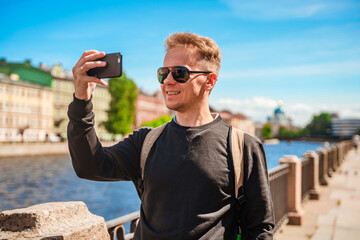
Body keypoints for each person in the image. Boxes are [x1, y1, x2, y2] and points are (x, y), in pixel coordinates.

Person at [68, 32, 274, 240]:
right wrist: (81, 100)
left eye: (179, 73)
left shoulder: (242, 146)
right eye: (163, 73)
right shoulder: (146, 142)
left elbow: (259, 229)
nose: (167, 81)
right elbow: (89, 166)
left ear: (209, 81)